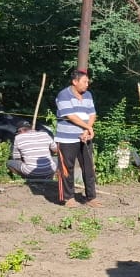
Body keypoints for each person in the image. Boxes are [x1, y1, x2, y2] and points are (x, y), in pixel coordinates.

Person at [54, 68, 99, 207]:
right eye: (85, 81)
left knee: (89, 167)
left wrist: (87, 129)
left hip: (85, 137)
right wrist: (87, 127)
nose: (87, 84)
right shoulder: (63, 95)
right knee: (67, 168)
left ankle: (91, 197)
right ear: (75, 81)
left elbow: (92, 114)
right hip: (67, 138)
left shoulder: (88, 95)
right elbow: (71, 116)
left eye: (88, 81)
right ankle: (68, 198)